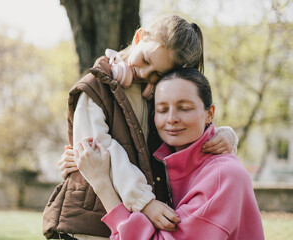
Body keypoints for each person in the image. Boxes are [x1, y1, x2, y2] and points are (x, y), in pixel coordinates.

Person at [43, 15, 238, 240]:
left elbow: (184, 130)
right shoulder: (94, 89)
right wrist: (145, 202)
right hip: (85, 227)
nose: (145, 74)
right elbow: (101, 152)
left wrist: (223, 135)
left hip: (126, 227)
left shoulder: (155, 96)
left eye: (158, 73)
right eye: (145, 60)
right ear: (139, 37)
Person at [74, 68, 264, 240]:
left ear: (210, 113)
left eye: (184, 108)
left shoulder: (225, 176)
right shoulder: (160, 165)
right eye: (162, 110)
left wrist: (102, 184)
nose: (171, 119)